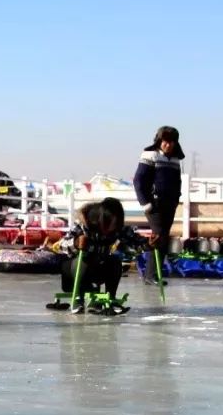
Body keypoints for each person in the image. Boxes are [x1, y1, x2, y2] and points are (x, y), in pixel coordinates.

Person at [58, 198, 141, 307]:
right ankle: (79, 297)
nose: (112, 227)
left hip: (98, 269)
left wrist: (149, 243)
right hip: (75, 272)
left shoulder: (117, 229)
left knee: (114, 261)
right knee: (84, 259)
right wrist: (76, 243)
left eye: (116, 223)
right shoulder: (84, 226)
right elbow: (61, 245)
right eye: (110, 223)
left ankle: (110, 297)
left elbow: (135, 242)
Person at [133, 126, 183, 285]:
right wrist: (146, 203)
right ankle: (151, 275)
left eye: (171, 142)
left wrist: (176, 198)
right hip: (154, 204)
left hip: (169, 204)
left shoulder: (175, 160)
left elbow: (177, 182)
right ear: (159, 141)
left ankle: (153, 274)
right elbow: (139, 180)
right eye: (165, 141)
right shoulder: (150, 155)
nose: (168, 145)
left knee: (164, 239)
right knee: (159, 237)